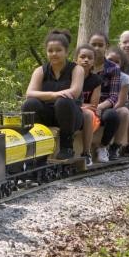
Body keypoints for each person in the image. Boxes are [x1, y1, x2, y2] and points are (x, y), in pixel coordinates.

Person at [22, 30, 85, 160]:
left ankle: (67, 147)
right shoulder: (40, 70)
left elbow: (73, 93)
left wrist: (55, 96)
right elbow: (29, 93)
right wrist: (54, 94)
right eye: (50, 51)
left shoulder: (77, 69)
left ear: (66, 52)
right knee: (30, 103)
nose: (54, 54)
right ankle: (36, 145)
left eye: (58, 50)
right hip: (48, 114)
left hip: (70, 116)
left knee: (63, 101)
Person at [87, 33, 123, 162]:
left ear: (106, 47)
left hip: (103, 106)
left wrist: (99, 107)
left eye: (100, 45)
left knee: (113, 116)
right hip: (84, 105)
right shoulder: (81, 65)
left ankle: (103, 147)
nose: (96, 48)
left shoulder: (113, 68)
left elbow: (113, 96)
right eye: (93, 45)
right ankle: (83, 151)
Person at [75, 44, 101, 166]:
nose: (86, 60)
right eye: (82, 57)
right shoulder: (69, 76)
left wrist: (81, 106)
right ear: (76, 59)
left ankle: (86, 153)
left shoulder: (95, 80)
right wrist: (81, 106)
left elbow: (93, 105)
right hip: (73, 109)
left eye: (90, 58)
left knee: (89, 114)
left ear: (93, 62)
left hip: (88, 113)